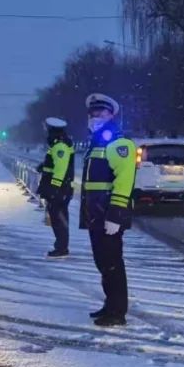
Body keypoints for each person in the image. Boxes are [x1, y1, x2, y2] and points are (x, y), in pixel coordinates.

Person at [79, 93, 136, 326]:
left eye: (101, 112)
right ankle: (109, 304)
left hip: (108, 214)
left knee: (112, 262)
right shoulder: (97, 142)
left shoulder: (118, 143)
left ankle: (117, 312)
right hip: (96, 213)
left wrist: (116, 215)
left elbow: (124, 180)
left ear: (112, 115)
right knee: (103, 262)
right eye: (93, 113)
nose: (96, 117)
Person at [36, 117, 74, 258]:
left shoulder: (60, 145)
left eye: (46, 127)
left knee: (59, 219)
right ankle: (61, 246)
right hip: (59, 188)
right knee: (58, 218)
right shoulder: (57, 144)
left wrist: (55, 188)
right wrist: (44, 167)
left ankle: (61, 248)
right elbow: (54, 165)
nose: (44, 129)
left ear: (52, 129)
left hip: (59, 189)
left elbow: (60, 169)